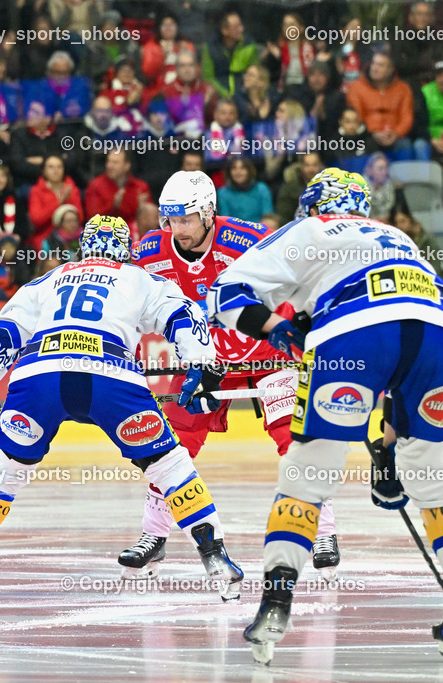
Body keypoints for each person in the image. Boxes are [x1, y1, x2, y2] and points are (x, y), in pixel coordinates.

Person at [209, 168, 443, 665]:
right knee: (437, 476)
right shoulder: (396, 234)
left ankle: (276, 603)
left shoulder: (312, 228)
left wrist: (279, 328)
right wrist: (387, 449)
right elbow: (404, 337)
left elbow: (227, 292)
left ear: (314, 205)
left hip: (354, 329)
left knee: (308, 474)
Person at [0, 214, 244, 600]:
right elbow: (184, 317)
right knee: (169, 465)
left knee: (4, 466)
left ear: (83, 247)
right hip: (110, 375)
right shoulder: (141, 278)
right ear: (127, 249)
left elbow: (1, 330)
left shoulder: (48, 279)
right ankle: (214, 556)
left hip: (40, 375)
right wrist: (202, 366)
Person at [122, 170, 339, 581]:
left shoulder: (250, 238)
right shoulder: (148, 250)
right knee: (169, 446)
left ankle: (322, 532)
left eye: (185, 219)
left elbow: (300, 281)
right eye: (170, 220)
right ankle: (154, 535)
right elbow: (125, 304)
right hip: (204, 363)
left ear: (208, 212)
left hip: (266, 356)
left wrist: (306, 332)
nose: (176, 229)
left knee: (294, 441)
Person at [84, 149, 151, 227]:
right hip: (106, 233)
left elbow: (150, 220)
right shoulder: (95, 185)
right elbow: (92, 218)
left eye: (115, 163)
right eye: (109, 161)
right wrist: (112, 206)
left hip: (135, 234)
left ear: (127, 166)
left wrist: (142, 210)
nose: (109, 166)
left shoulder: (140, 187)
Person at [217, 158, 273, 222]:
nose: (238, 172)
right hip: (234, 230)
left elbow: (268, 216)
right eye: (234, 168)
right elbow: (225, 220)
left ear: (249, 171)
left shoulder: (261, 188)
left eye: (242, 168)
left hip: (259, 229)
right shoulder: (223, 193)